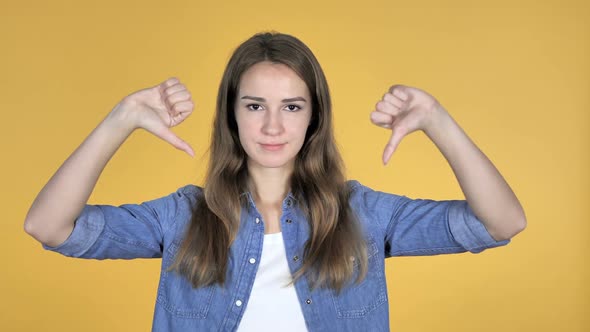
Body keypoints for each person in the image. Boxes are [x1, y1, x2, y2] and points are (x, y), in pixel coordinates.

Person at [24, 31, 526, 332]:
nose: (271, 126)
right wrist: (123, 116)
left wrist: (437, 119)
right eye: (254, 106)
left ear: (313, 117)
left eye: (291, 106)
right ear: (232, 115)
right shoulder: (182, 217)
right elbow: (49, 226)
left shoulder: (362, 215)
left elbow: (502, 222)